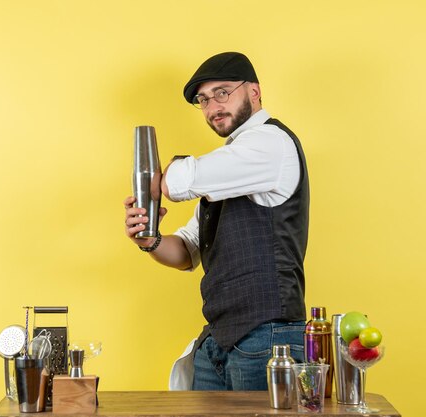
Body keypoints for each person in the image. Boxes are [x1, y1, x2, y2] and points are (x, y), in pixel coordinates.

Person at [124, 52, 309, 390]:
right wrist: (148, 240)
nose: (213, 107)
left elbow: (176, 183)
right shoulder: (229, 168)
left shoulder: (269, 143)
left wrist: (155, 178)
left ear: (254, 91)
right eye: (203, 100)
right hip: (219, 341)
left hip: (268, 337)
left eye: (222, 92)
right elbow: (185, 252)